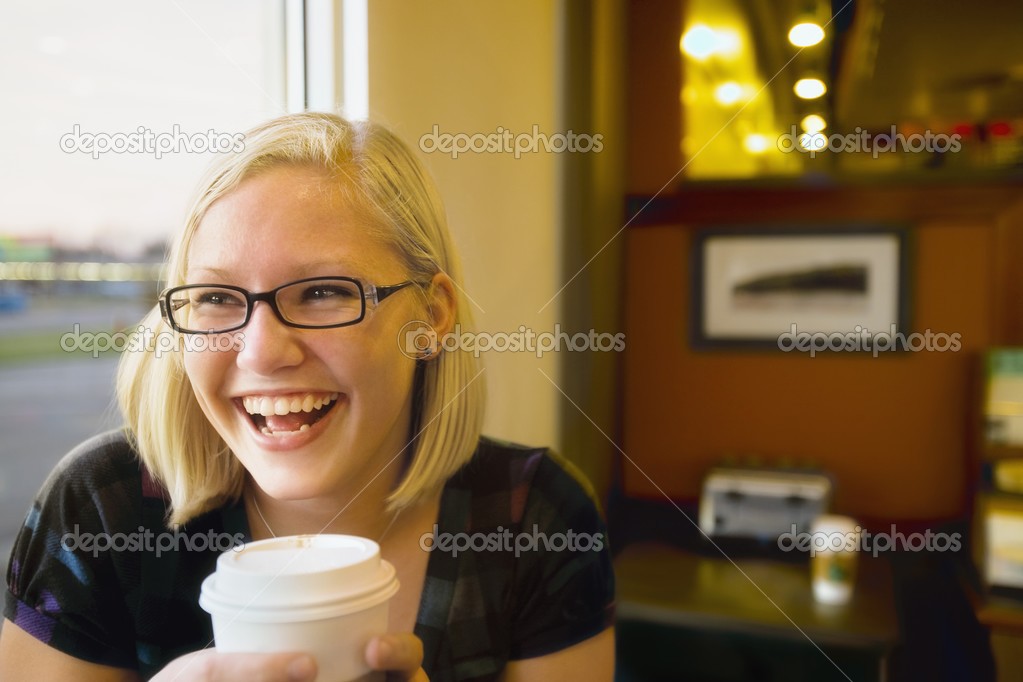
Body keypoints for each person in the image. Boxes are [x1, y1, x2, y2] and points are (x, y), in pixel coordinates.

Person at [0, 112, 615, 681]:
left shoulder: (532, 519)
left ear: (431, 316)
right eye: (215, 298)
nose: (263, 352)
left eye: (322, 292)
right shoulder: (101, 511)